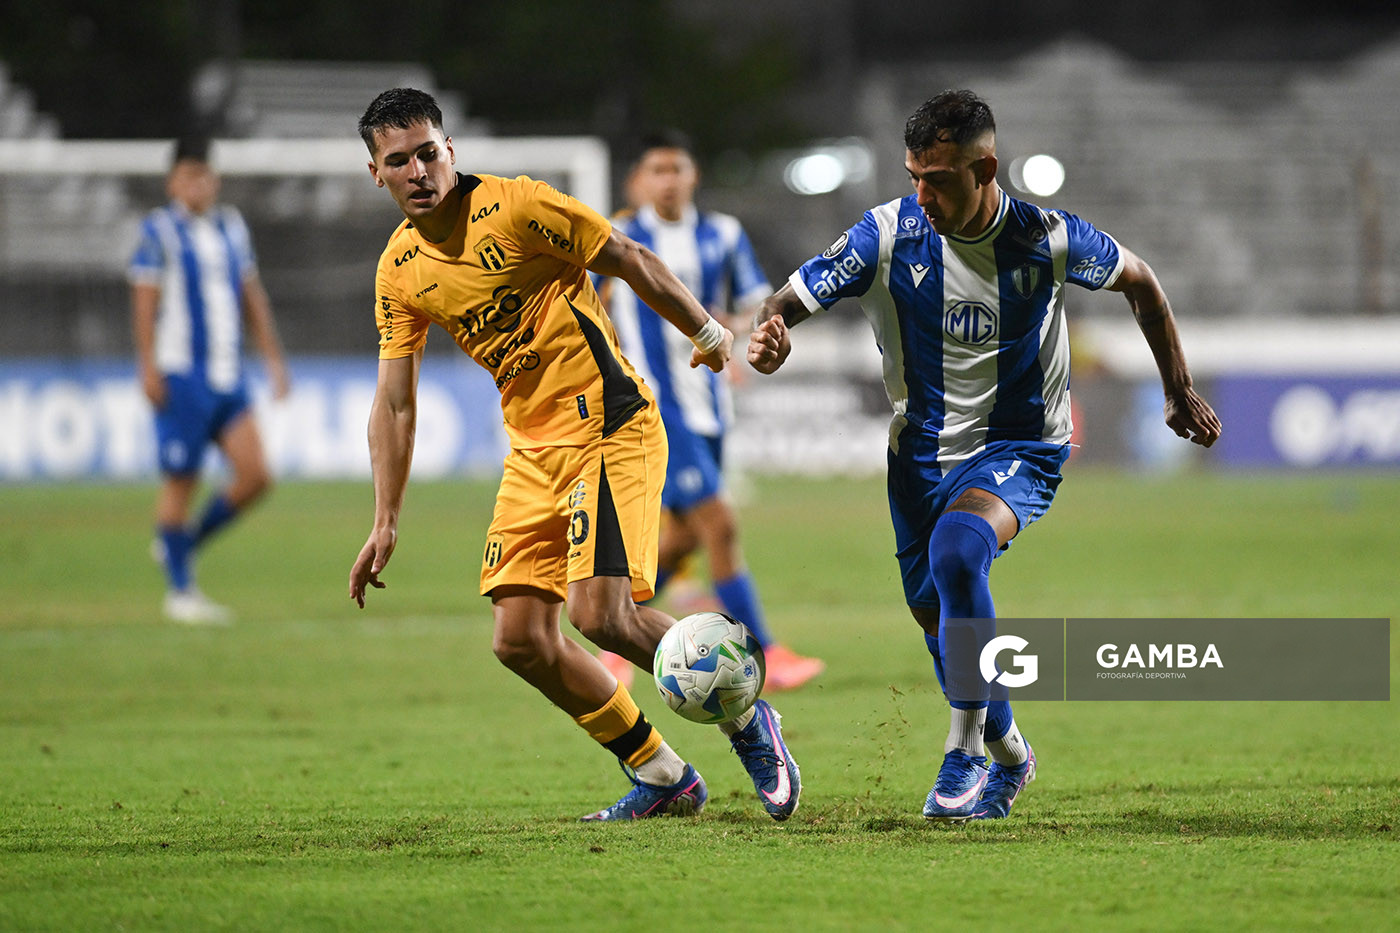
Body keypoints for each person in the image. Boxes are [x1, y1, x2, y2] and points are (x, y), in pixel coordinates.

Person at [748, 89, 1221, 822]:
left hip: (1020, 446)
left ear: (984, 168)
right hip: (919, 458)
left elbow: (1143, 283)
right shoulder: (887, 234)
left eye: (936, 178)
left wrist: (1177, 389)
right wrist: (771, 331)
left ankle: (964, 744)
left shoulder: (1047, 236)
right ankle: (1010, 753)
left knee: (960, 552)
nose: (921, 194)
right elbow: (788, 298)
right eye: (913, 176)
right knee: (944, 625)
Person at [348, 88, 800, 822]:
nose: (419, 170)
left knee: (603, 616)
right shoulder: (399, 270)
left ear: (450, 150)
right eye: (399, 161)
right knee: (520, 639)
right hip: (532, 449)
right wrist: (385, 518)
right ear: (378, 173)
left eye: (429, 152)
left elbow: (625, 255)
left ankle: (750, 717)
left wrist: (707, 333)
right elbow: (395, 403)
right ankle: (662, 774)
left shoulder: (519, 205)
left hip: (608, 422)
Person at [596, 131, 824, 692]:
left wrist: (733, 331)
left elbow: (756, 307)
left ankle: (614, 630)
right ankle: (765, 652)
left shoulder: (722, 234)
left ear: (693, 174)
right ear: (641, 180)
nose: (668, 179)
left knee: (680, 541)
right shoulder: (622, 239)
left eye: (677, 168)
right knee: (719, 524)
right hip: (656, 407)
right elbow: (586, 304)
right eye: (657, 169)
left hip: (712, 405)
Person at [129, 136, 289, 625]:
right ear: (173, 181)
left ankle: (181, 546)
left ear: (213, 180)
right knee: (183, 480)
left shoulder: (230, 227)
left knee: (256, 476)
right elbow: (145, 300)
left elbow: (250, 294)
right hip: (182, 375)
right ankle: (181, 593)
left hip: (228, 372)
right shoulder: (158, 232)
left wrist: (273, 359)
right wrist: (148, 365)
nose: (198, 185)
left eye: (205, 175)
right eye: (188, 176)